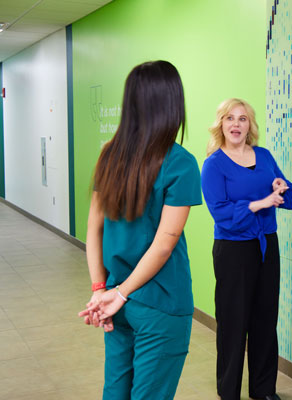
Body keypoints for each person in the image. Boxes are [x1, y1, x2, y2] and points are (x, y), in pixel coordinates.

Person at [78, 60, 202, 399]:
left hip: (118, 296)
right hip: (159, 302)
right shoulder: (180, 162)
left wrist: (101, 289)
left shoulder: (109, 154)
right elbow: (164, 245)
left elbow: (94, 230)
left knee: (116, 391)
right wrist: (116, 295)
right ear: (173, 103)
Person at [201, 98, 292, 400]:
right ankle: (228, 392)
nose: (236, 125)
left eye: (242, 119)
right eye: (230, 119)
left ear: (249, 125)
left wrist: (281, 186)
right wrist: (261, 203)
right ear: (221, 125)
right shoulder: (214, 164)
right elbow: (221, 213)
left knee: (265, 319)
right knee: (233, 322)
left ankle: (264, 390)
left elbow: (283, 188)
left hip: (267, 245)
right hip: (233, 250)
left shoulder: (264, 156)